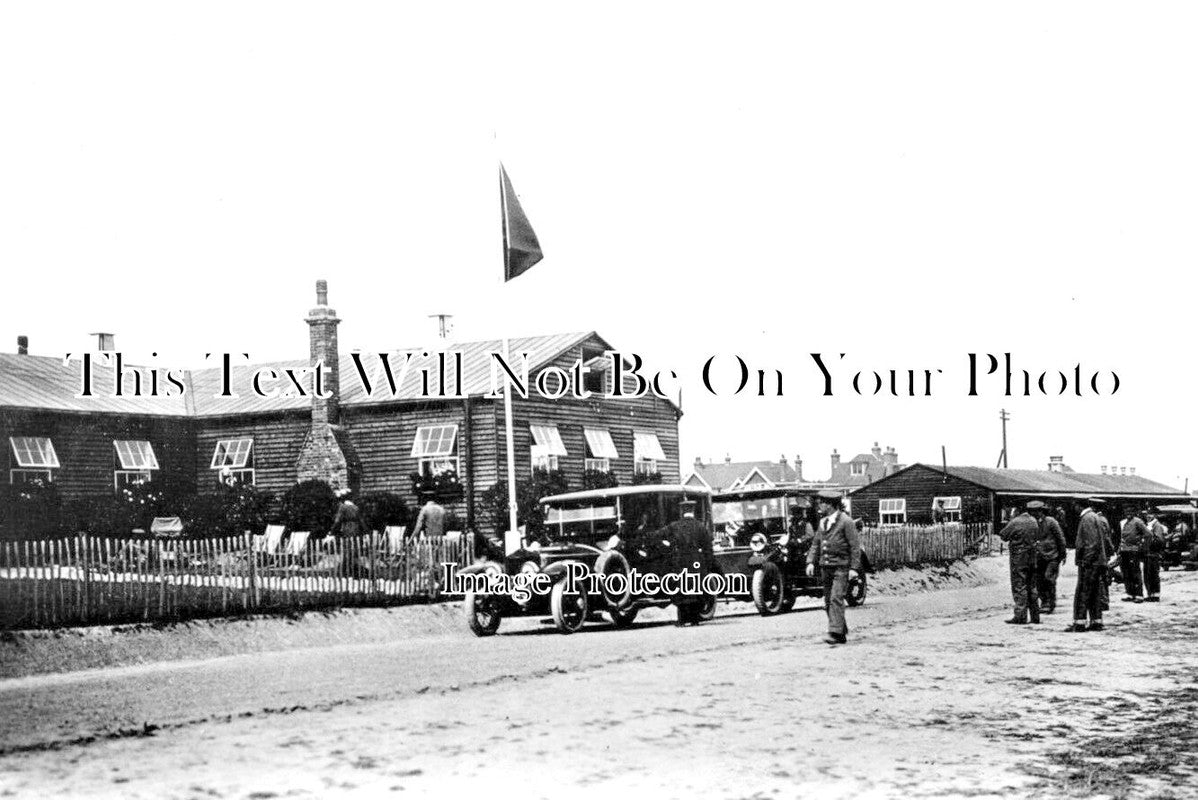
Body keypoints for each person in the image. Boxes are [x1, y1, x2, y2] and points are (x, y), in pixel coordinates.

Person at [805, 490, 862, 645]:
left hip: (841, 567)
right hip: (826, 568)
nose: (819, 505)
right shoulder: (823, 522)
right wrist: (810, 561)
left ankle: (834, 633)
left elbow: (855, 547)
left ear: (830, 505)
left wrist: (854, 569)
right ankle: (840, 631)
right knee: (828, 601)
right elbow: (815, 544)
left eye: (822, 503)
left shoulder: (846, 521)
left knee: (836, 598)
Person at [665, 497, 713, 626]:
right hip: (696, 561)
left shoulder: (674, 526)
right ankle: (695, 620)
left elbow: (659, 535)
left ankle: (681, 620)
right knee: (696, 589)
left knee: (681, 590)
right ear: (693, 510)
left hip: (680, 561)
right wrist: (708, 565)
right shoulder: (700, 526)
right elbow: (708, 548)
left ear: (681, 511)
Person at [1067, 499, 1109, 632]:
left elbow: (1091, 542)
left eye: (1074, 506)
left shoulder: (1087, 518)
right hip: (1096, 561)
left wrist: (1086, 560)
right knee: (1094, 592)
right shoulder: (1094, 516)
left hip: (1090, 562)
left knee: (1083, 592)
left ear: (1079, 505)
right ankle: (1096, 621)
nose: (1073, 509)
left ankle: (1079, 623)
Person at [998, 501, 1042, 624]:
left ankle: (1020, 616)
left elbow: (1003, 535)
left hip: (1019, 557)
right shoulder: (1034, 522)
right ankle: (1035, 616)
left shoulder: (1016, 522)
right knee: (1032, 586)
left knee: (1019, 585)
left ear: (1018, 510)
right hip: (1032, 557)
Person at [1031, 502, 1067, 614]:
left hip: (1053, 556)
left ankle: (1050, 602)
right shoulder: (1032, 523)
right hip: (1039, 556)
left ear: (1042, 511)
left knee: (1049, 578)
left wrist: (1063, 554)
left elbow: (1060, 538)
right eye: (1033, 512)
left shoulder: (1051, 522)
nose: (1035, 514)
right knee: (1039, 580)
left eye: (1037, 511)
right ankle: (1044, 602)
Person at [1118, 509, 1148, 603]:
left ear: (1134, 513)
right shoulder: (1125, 523)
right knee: (1126, 573)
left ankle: (1139, 595)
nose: (1128, 514)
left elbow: (1148, 534)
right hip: (1124, 550)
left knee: (1135, 573)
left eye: (1130, 512)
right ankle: (1130, 594)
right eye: (1126, 512)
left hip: (1133, 551)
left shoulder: (1138, 522)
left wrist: (1143, 547)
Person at [1143, 508, 1167, 602]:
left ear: (1155, 515)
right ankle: (1151, 594)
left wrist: (1148, 540)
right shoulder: (1149, 525)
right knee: (1148, 575)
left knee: (1153, 575)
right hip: (1148, 554)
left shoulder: (1157, 526)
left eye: (1150, 514)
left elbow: (1159, 540)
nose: (1148, 516)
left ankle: (1155, 595)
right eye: (1147, 514)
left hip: (1153, 554)